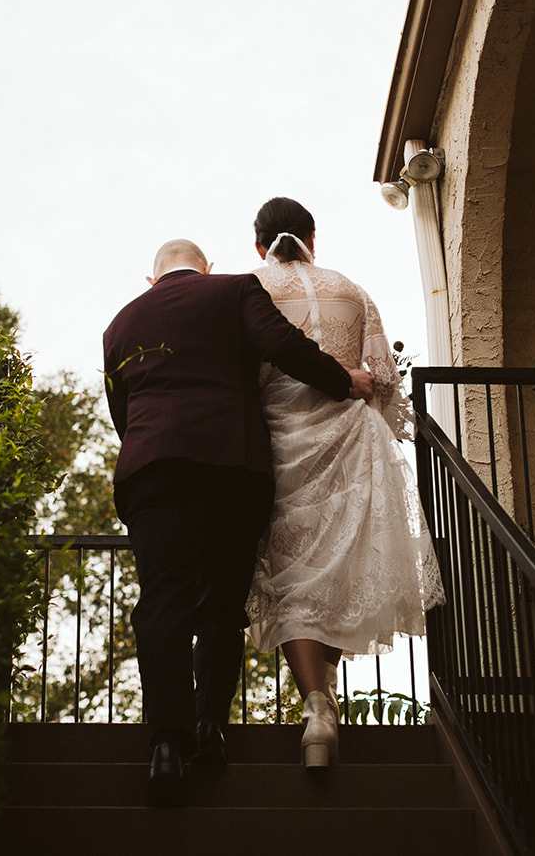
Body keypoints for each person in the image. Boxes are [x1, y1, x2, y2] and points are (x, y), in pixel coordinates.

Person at [102, 238, 374, 807]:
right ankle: (210, 727)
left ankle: (166, 746)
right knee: (222, 605)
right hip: (232, 464)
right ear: (206, 268)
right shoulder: (233, 290)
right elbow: (282, 344)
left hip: (154, 470)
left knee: (161, 603)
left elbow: (123, 413)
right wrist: (343, 380)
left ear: (152, 280)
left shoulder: (119, 326)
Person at [244, 197, 445, 770]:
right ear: (313, 235)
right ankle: (325, 700)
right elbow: (380, 378)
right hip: (350, 442)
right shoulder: (352, 290)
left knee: (294, 578)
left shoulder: (252, 288)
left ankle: (315, 705)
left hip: (278, 444)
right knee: (337, 573)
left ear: (259, 245)